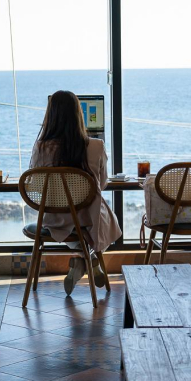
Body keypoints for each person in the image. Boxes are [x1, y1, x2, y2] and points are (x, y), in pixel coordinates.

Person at [29, 90, 122, 295]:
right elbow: (101, 184)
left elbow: (35, 188)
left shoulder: (40, 147)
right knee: (106, 223)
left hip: (55, 220)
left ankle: (81, 262)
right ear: (79, 114)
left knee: (74, 227)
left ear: (50, 116)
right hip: (89, 219)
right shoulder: (96, 146)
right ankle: (88, 260)